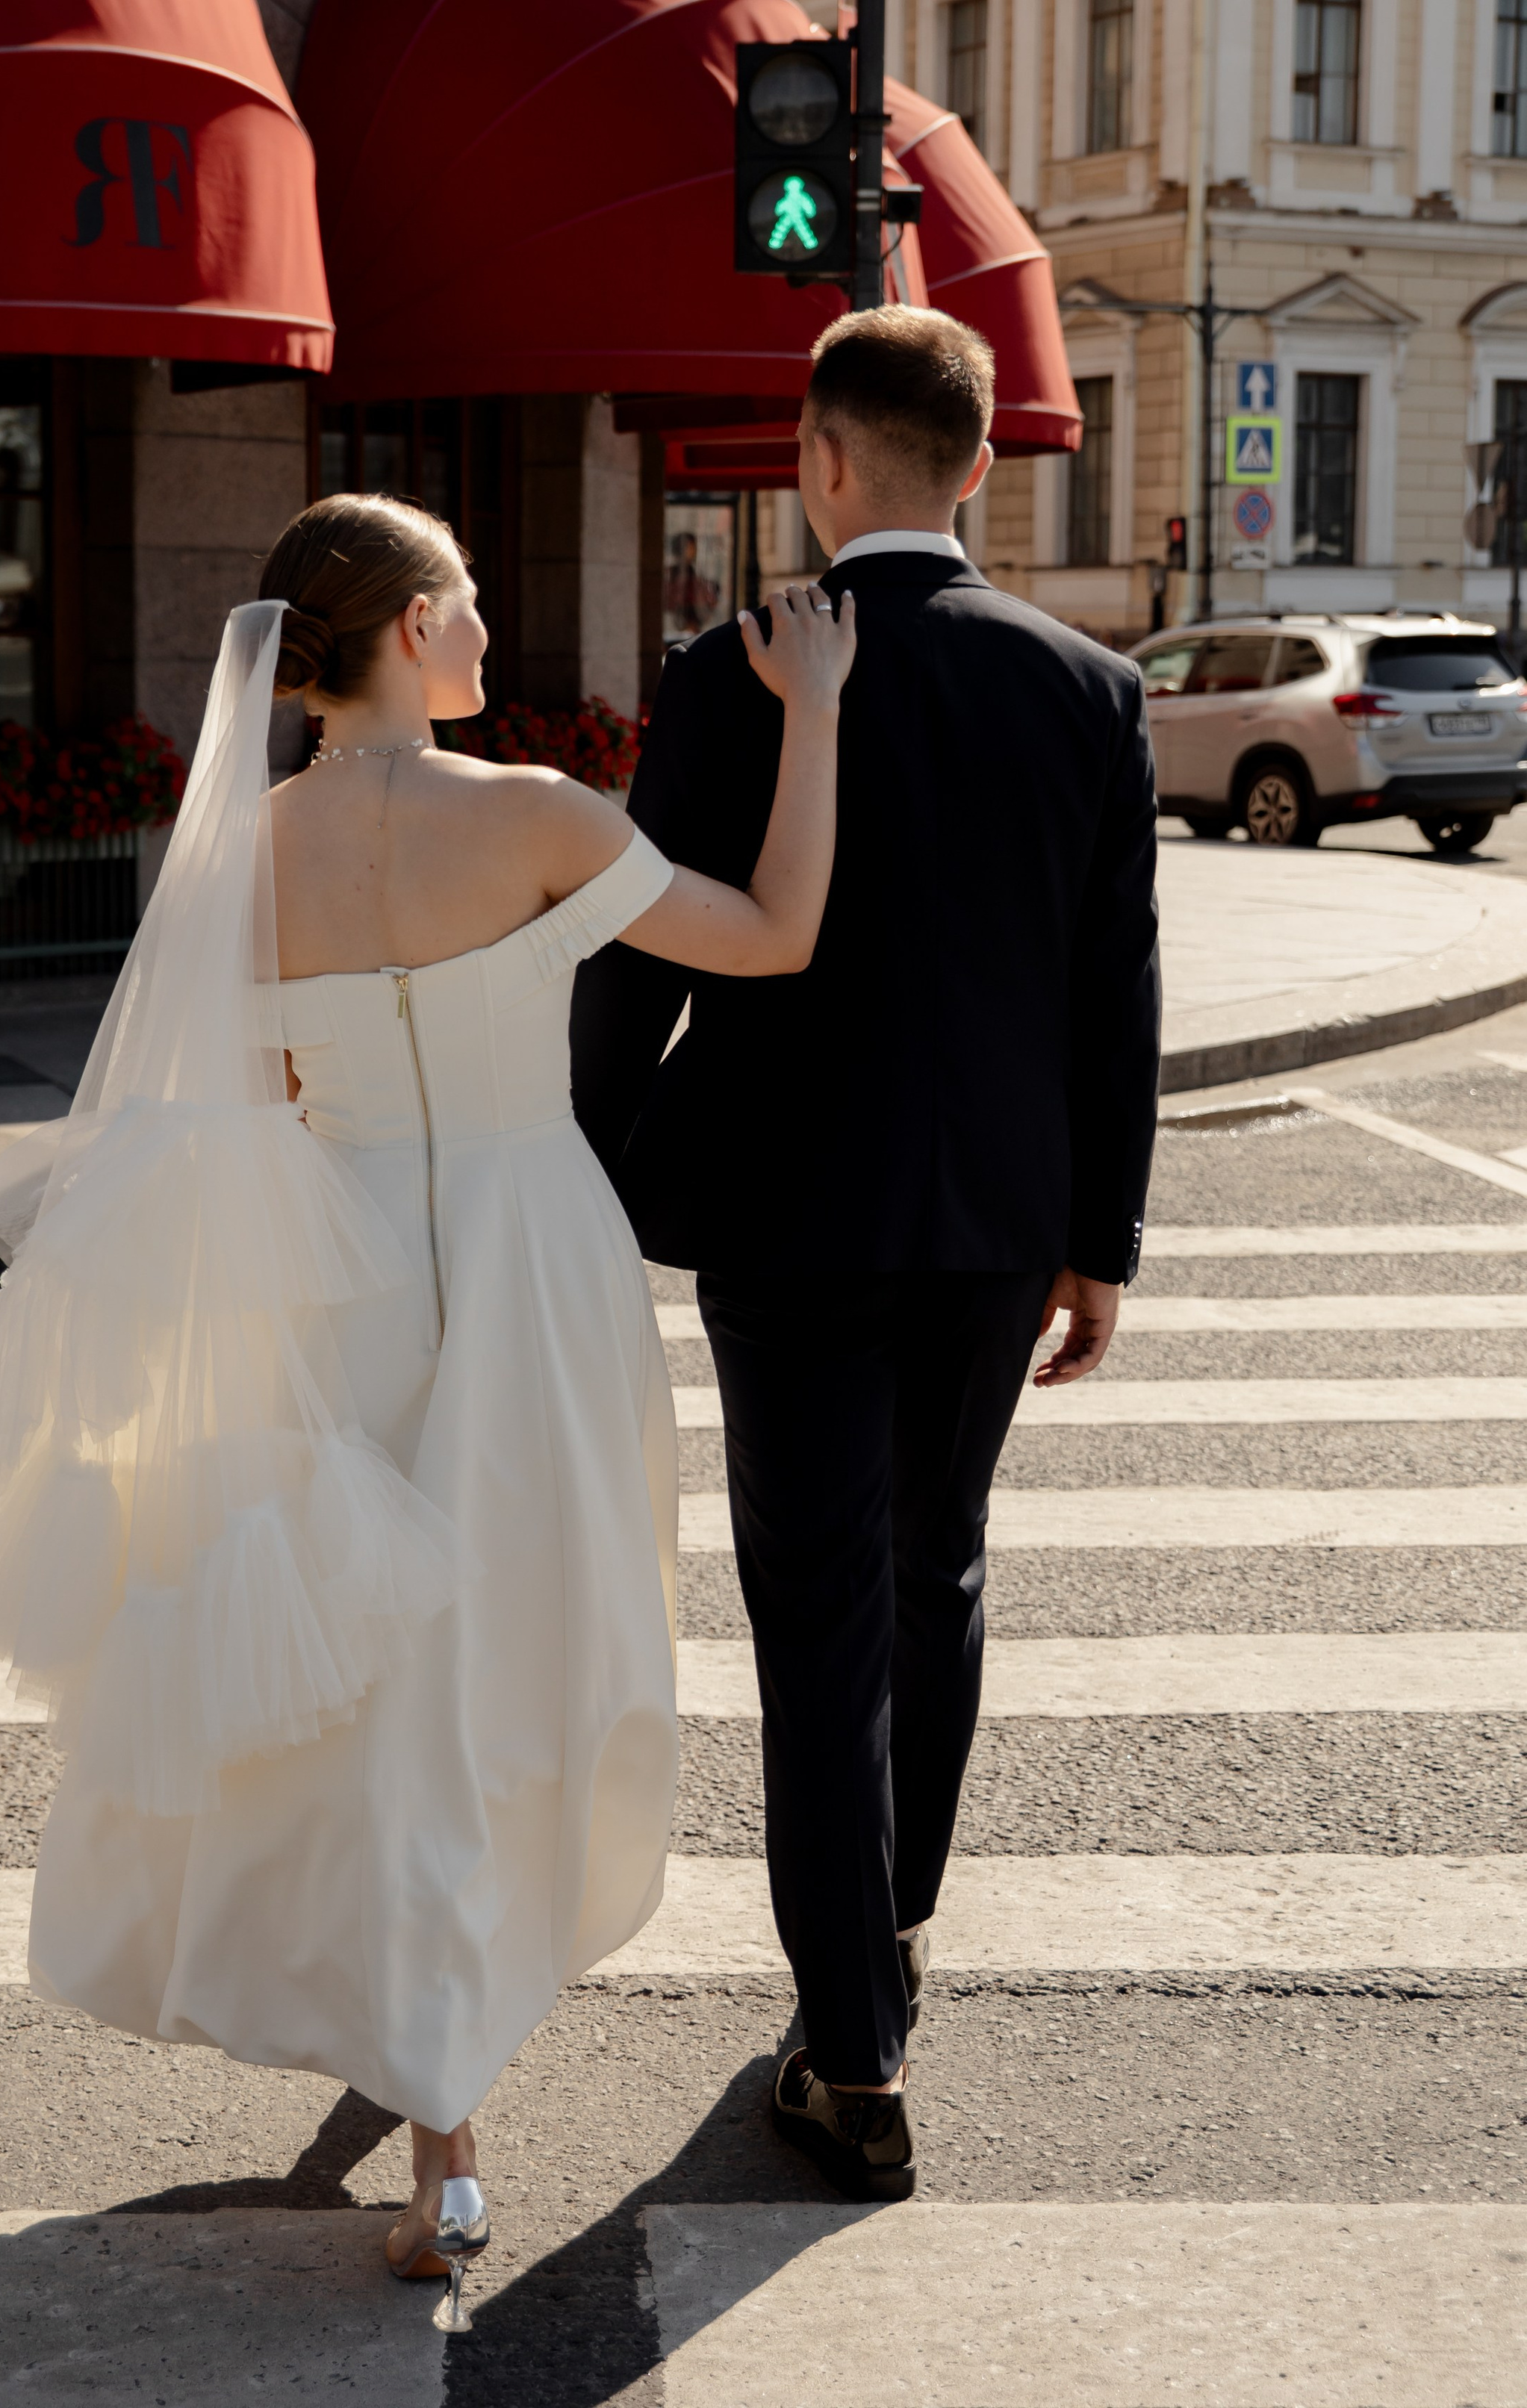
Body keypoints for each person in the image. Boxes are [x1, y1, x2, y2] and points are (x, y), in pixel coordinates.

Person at [0, 494, 856, 2318]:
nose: (488, 630)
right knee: (517, 1648)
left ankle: (421, 2059)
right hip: (532, 1264)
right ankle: (445, 2083)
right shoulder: (535, 814)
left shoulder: (243, 849)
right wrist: (810, 712)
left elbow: (252, 1093)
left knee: (376, 1672)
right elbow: (772, 933)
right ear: (415, 624)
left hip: (333, 1266)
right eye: (472, 602)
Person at [570, 305, 1160, 2204]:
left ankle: (851, 2052)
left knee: (818, 1613)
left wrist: (575, 1169)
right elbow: (1112, 993)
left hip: (787, 1211)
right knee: (937, 1566)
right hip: (997, 1220)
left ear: (816, 463)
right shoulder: (1087, 687)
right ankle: (886, 1933)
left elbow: (637, 954)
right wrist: (1100, 1239)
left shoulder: (725, 671)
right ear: (980, 465)